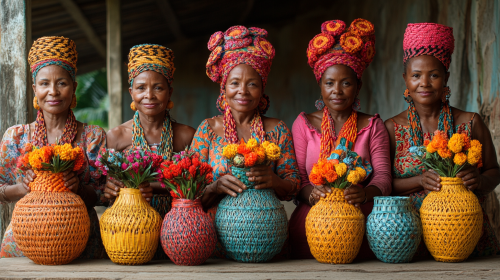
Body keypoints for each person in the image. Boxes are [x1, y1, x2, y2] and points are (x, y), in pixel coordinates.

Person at [385, 23, 500, 258]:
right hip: (408, 242)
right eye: (416, 75)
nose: (424, 83)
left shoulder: (470, 123)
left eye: (434, 75)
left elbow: (494, 172)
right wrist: (419, 180)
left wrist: (478, 179)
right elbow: (383, 185)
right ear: (405, 79)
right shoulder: (391, 128)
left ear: (446, 77)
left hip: (467, 240)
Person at [190, 26, 300, 257]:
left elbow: (294, 187)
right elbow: (188, 192)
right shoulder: (208, 130)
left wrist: (274, 181)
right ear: (224, 88)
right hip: (214, 242)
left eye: (252, 83)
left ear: (262, 89)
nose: (243, 91)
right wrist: (215, 187)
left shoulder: (277, 129)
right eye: (234, 83)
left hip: (267, 239)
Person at [288, 19, 392, 259]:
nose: (337, 90)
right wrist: (311, 194)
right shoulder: (303, 124)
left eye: (346, 83)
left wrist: (365, 194)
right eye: (329, 83)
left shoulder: (372, 125)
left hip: (363, 222)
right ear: (320, 86)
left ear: (358, 86)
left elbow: (384, 178)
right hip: (311, 223)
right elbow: (299, 180)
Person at [0, 36, 106, 258]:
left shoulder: (92, 136)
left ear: (74, 87)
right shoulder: (16, 137)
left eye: (62, 83)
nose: (53, 92)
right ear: (34, 88)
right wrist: (22, 188)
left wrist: (79, 188)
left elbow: (104, 193)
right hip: (23, 243)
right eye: (44, 83)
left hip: (81, 243)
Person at [104, 44, 195, 220]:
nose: (149, 95)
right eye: (141, 88)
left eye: (158, 88)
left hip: (179, 226)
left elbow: (197, 187)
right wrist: (111, 189)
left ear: (170, 92)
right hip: (132, 228)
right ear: (131, 92)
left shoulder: (187, 136)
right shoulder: (116, 136)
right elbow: (106, 192)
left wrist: (150, 186)